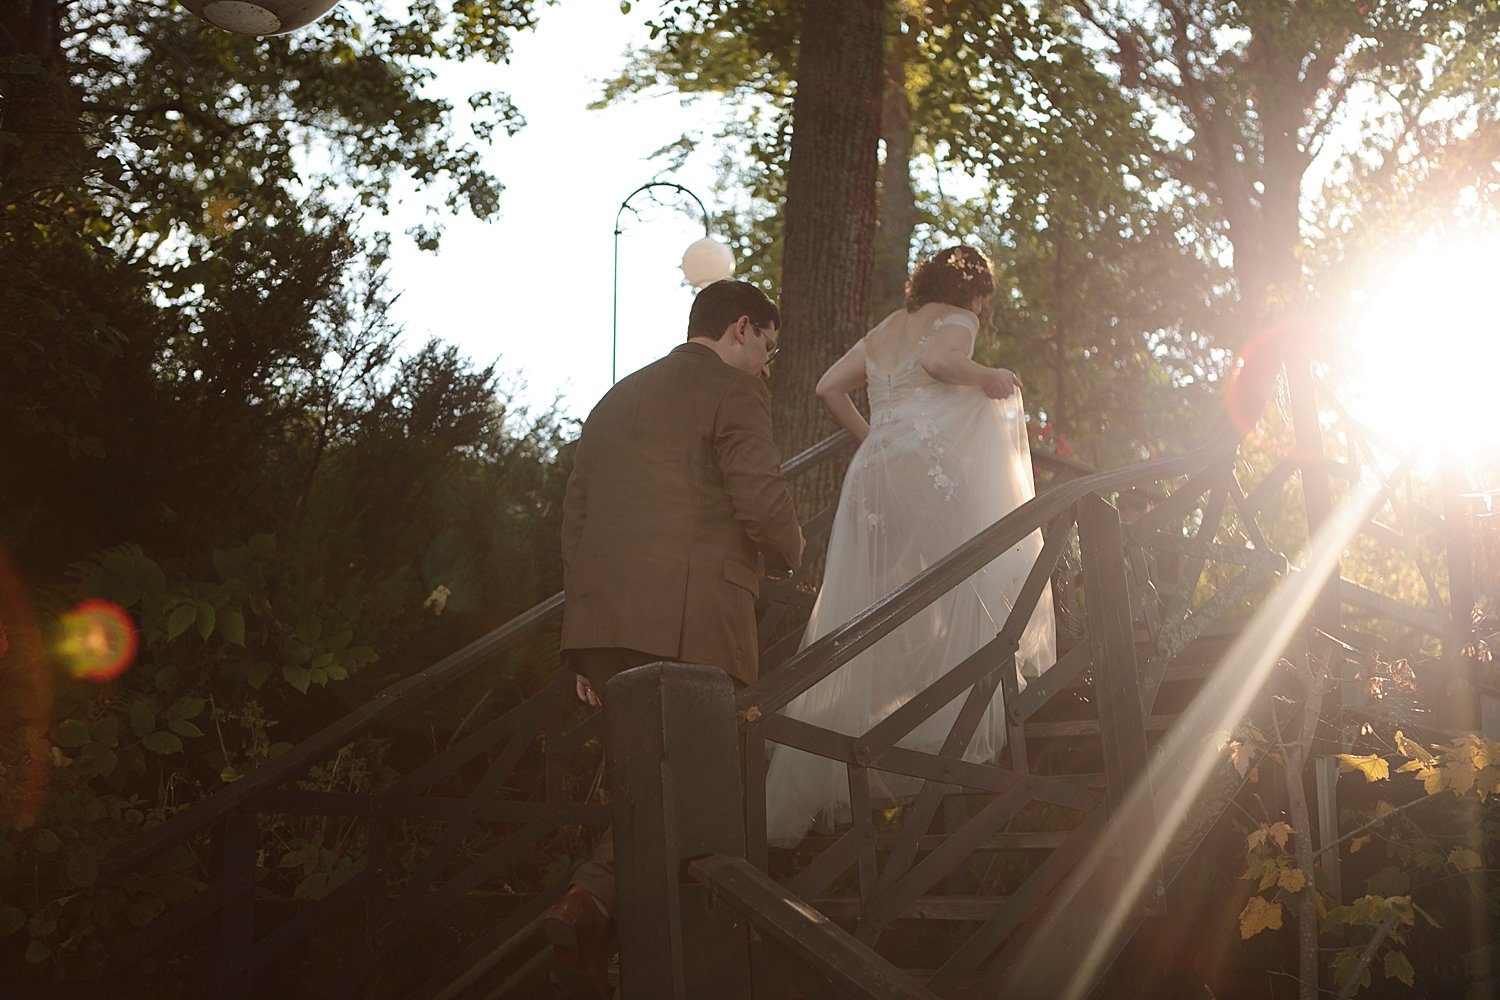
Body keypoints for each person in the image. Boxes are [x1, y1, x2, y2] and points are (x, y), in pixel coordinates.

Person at [544, 279, 805, 999]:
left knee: (643, 787)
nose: (766, 365)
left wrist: (583, 641)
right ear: (742, 329)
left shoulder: (615, 399)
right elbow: (758, 496)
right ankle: (597, 907)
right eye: (767, 349)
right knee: (695, 786)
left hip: (606, 627)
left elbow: (577, 518)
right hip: (694, 624)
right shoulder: (732, 388)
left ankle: (594, 919)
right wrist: (795, 551)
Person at [763, 245, 1056, 846]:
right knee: (964, 576)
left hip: (874, 475)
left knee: (872, 596)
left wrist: (877, 438)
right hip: (926, 472)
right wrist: (990, 377)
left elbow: (827, 388)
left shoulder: (887, 328)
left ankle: (855, 731)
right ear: (974, 291)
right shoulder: (958, 320)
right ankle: (943, 717)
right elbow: (942, 367)